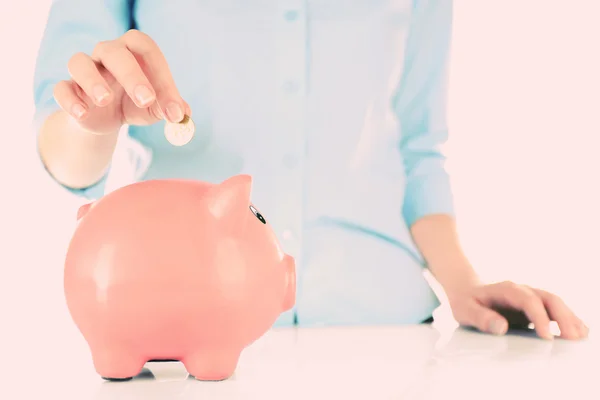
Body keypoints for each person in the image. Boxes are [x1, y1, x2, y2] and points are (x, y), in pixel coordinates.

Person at [33, 0, 588, 340]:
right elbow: (63, 158)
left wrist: (465, 285)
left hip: (386, 332)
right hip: (181, 326)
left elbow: (419, 150)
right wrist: (92, 120)